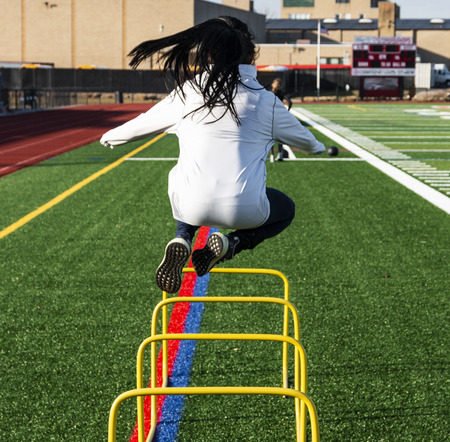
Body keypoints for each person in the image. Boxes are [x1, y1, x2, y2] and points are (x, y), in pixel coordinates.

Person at [100, 16, 325, 293]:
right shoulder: (266, 101)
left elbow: (137, 126)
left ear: (207, 54)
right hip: (247, 211)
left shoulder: (187, 94)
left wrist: (109, 137)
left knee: (188, 179)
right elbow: (309, 143)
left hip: (190, 206)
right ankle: (233, 244)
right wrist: (318, 147)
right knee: (286, 209)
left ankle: (182, 237)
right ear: (251, 54)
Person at [269, 78, 292, 162]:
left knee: (271, 136)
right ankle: (280, 154)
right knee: (279, 136)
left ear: (272, 84)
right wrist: (287, 110)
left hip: (270, 115)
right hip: (279, 115)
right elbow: (290, 102)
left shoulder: (269, 93)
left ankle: (272, 156)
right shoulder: (282, 93)